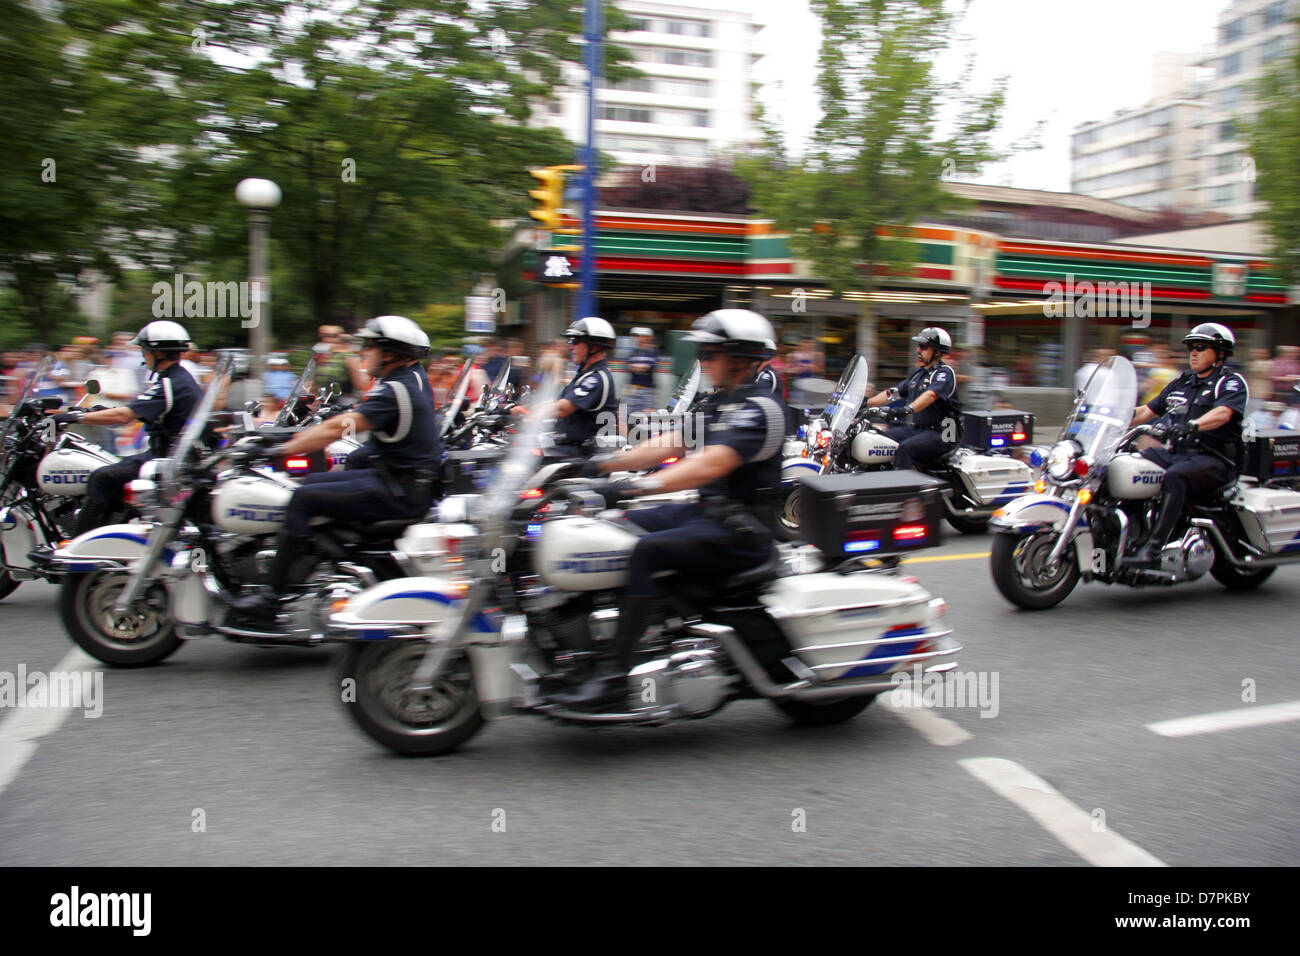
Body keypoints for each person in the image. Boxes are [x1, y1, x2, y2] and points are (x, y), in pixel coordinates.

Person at [551, 308, 788, 711]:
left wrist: (637, 486)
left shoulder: (761, 408)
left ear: (740, 358)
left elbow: (712, 462)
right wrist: (601, 467)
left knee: (647, 551)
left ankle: (614, 679)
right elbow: (673, 441)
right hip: (706, 514)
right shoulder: (721, 401)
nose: (704, 363)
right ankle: (594, 646)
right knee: (610, 529)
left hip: (743, 532)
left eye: (711, 354)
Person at [230, 315, 440, 623]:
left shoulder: (394, 389)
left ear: (391, 353)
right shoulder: (414, 378)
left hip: (399, 491)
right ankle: (316, 558)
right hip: (407, 482)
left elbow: (341, 428)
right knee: (315, 480)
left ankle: (270, 599)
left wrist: (278, 449)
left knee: (302, 497)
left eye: (368, 347)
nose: (361, 354)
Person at [55, 321, 202, 535]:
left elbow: (125, 415)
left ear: (158, 353)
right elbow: (138, 409)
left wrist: (75, 417)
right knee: (115, 468)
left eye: (145, 350)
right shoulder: (176, 379)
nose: (143, 355)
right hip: (171, 455)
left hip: (167, 459)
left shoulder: (171, 383)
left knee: (101, 477)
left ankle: (81, 551)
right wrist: (96, 412)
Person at [1128, 323, 1248, 566]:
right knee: (1127, 464)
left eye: (1201, 347)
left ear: (1220, 353)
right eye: (1191, 347)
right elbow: (1145, 411)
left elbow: (1223, 414)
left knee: (1175, 476)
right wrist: (1112, 413)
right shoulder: (1182, 382)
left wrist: (1192, 425)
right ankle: (1129, 536)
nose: (1193, 352)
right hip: (1178, 454)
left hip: (1214, 459)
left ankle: (1152, 549)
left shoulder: (1230, 382)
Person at [863, 326, 962, 471]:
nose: (918, 350)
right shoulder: (918, 375)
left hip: (944, 434)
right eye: (919, 346)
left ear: (938, 351)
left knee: (906, 449)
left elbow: (930, 395)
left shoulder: (944, 373)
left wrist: (907, 409)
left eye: (923, 347)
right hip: (921, 429)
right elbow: (893, 393)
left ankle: (903, 491)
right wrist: (865, 403)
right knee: (879, 440)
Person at [544, 317, 619, 455]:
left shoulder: (596, 378)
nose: (571, 346)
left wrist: (531, 415)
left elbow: (561, 409)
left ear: (594, 347)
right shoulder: (583, 375)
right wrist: (519, 409)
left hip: (584, 456)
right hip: (569, 449)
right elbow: (555, 402)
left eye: (576, 341)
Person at [624, 327, 660, 415]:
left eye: (644, 336)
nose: (640, 338)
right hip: (631, 388)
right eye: (638, 336)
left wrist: (636, 367)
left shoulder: (653, 352)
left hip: (647, 390)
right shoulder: (633, 352)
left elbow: (647, 367)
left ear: (650, 338)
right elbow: (629, 366)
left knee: (646, 415)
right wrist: (641, 367)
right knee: (628, 413)